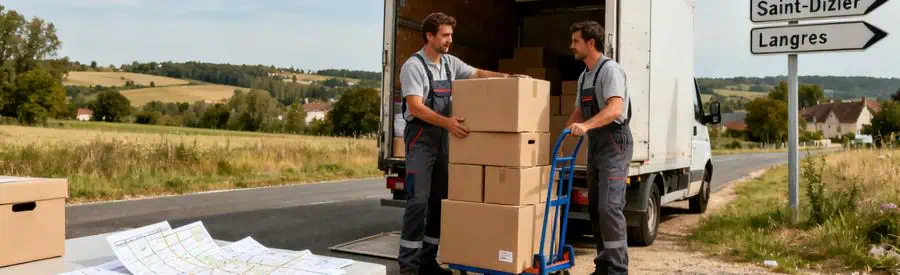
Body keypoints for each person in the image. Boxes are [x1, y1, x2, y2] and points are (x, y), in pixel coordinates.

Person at [397, 12, 523, 275]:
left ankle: (428, 262)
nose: (449, 41)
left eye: (450, 36)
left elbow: (476, 73)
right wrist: (449, 123)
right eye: (445, 35)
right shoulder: (414, 67)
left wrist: (508, 77)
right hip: (421, 139)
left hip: (443, 139)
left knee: (439, 201)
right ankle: (408, 267)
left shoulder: (449, 63)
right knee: (418, 202)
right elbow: (416, 108)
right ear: (429, 36)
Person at [565, 20, 633, 275]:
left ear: (590, 43)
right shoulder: (584, 76)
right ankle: (603, 265)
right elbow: (579, 109)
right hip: (596, 144)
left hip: (615, 142)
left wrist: (585, 127)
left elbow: (615, 108)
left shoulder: (609, 71)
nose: (571, 46)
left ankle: (617, 269)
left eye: (575, 41)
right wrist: (566, 131)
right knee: (594, 207)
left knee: (609, 207)